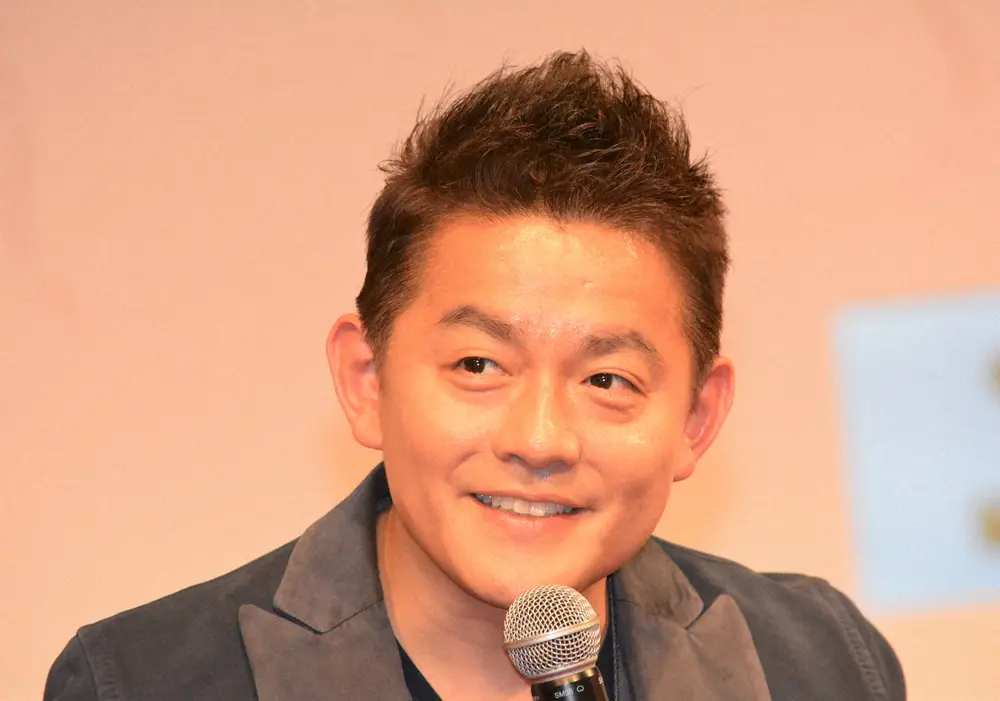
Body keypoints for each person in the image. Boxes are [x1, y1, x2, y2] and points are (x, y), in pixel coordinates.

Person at [44, 50, 906, 701]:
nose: (540, 438)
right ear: (366, 379)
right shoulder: (141, 680)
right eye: (478, 364)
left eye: (607, 380)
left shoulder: (821, 663)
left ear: (696, 419)